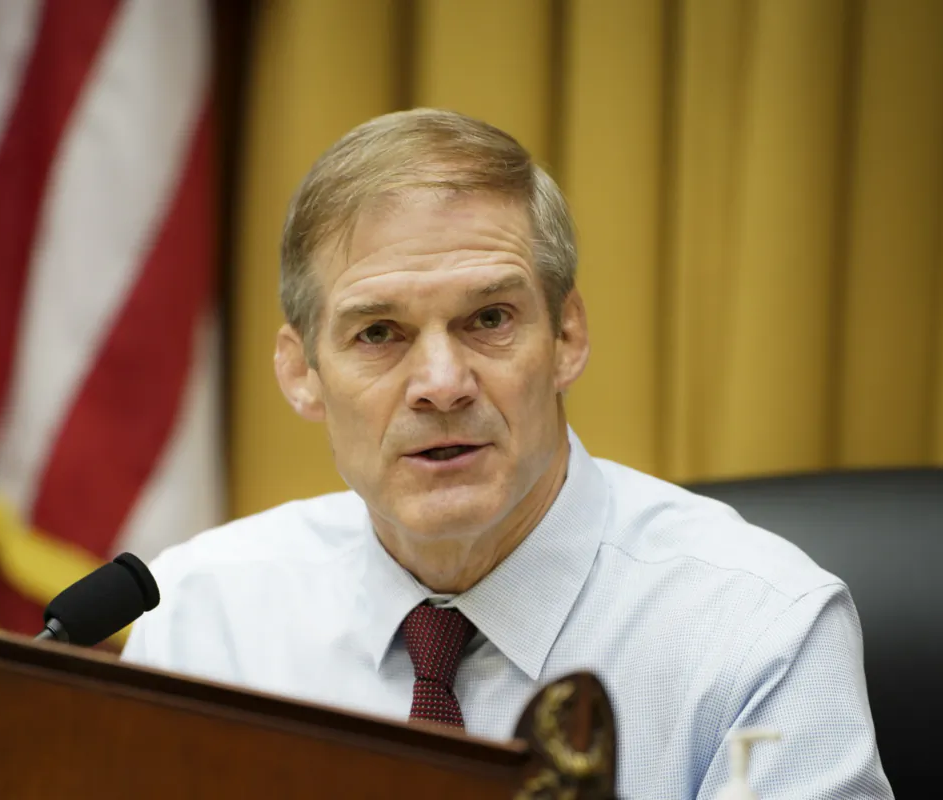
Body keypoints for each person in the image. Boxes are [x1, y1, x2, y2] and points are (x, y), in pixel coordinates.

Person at [122, 108, 892, 798]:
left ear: (566, 337)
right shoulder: (200, 618)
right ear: (301, 374)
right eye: (379, 333)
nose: (442, 384)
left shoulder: (760, 629)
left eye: (488, 318)